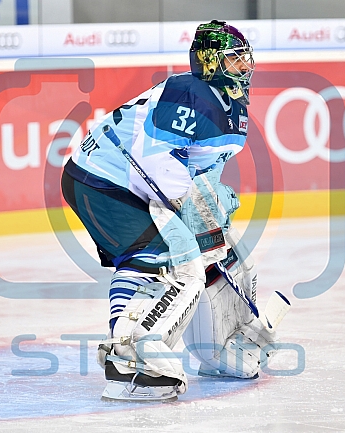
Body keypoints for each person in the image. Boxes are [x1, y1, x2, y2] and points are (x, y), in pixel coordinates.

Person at [61, 20, 277, 401]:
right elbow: (156, 166)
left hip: (128, 183)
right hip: (101, 182)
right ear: (210, 62)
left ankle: (217, 350)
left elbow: (198, 170)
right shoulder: (187, 93)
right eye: (235, 59)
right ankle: (129, 358)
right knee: (167, 261)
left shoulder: (230, 106)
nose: (245, 68)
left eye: (246, 60)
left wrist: (208, 215)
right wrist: (192, 207)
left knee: (215, 254)